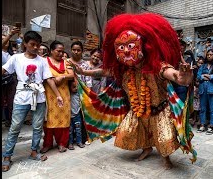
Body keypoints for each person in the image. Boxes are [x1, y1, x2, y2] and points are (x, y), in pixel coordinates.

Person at [68, 13, 196, 169]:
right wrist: (83, 72)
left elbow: (176, 76)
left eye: (130, 46)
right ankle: (147, 148)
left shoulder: (157, 66)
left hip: (160, 110)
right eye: (121, 47)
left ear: (143, 46)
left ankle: (166, 157)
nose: (126, 51)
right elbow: (103, 72)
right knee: (127, 132)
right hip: (137, 111)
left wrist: (184, 77)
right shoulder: (123, 70)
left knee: (165, 139)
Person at [2, 30, 64, 172]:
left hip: (39, 98)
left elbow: (49, 79)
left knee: (37, 127)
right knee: (15, 127)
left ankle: (34, 151)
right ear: (25, 44)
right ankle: (7, 156)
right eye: (32, 44)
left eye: (38, 45)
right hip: (21, 97)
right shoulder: (16, 58)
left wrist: (58, 95)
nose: (36, 47)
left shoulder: (42, 61)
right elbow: (4, 70)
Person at [40, 40, 74, 154]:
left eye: (62, 51)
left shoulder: (66, 62)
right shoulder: (44, 61)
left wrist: (62, 77)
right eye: (58, 51)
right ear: (51, 51)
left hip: (64, 94)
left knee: (63, 120)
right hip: (49, 95)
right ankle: (47, 144)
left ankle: (62, 143)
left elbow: (72, 75)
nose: (60, 53)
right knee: (48, 120)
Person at [68, 79, 85, 150]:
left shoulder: (78, 94)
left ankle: (79, 142)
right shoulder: (67, 94)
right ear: (69, 87)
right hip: (69, 116)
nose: (76, 88)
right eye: (73, 87)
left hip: (77, 115)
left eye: (76, 87)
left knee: (78, 129)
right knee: (70, 131)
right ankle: (70, 143)